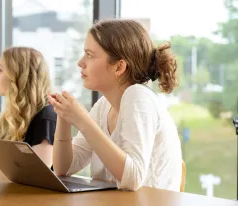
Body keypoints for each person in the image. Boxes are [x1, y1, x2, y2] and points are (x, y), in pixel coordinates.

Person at [48, 19, 182, 191]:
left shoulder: (139, 97)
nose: (80, 62)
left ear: (119, 67)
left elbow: (133, 178)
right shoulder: (104, 106)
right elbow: (63, 168)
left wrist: (82, 120)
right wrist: (64, 117)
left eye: (89, 55)